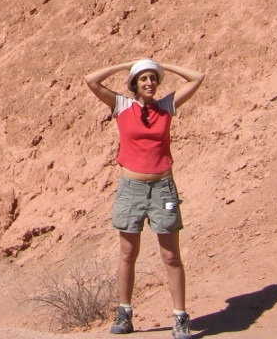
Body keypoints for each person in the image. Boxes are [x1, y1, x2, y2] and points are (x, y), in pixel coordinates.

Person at [84, 59, 205, 338]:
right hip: (131, 188)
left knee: (171, 255)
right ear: (134, 84)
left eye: (153, 78)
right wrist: (129, 64)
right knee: (128, 253)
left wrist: (161, 65)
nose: (149, 82)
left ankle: (180, 318)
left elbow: (197, 78)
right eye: (143, 79)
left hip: (164, 188)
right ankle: (124, 314)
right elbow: (91, 79)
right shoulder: (122, 106)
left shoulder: (166, 106)